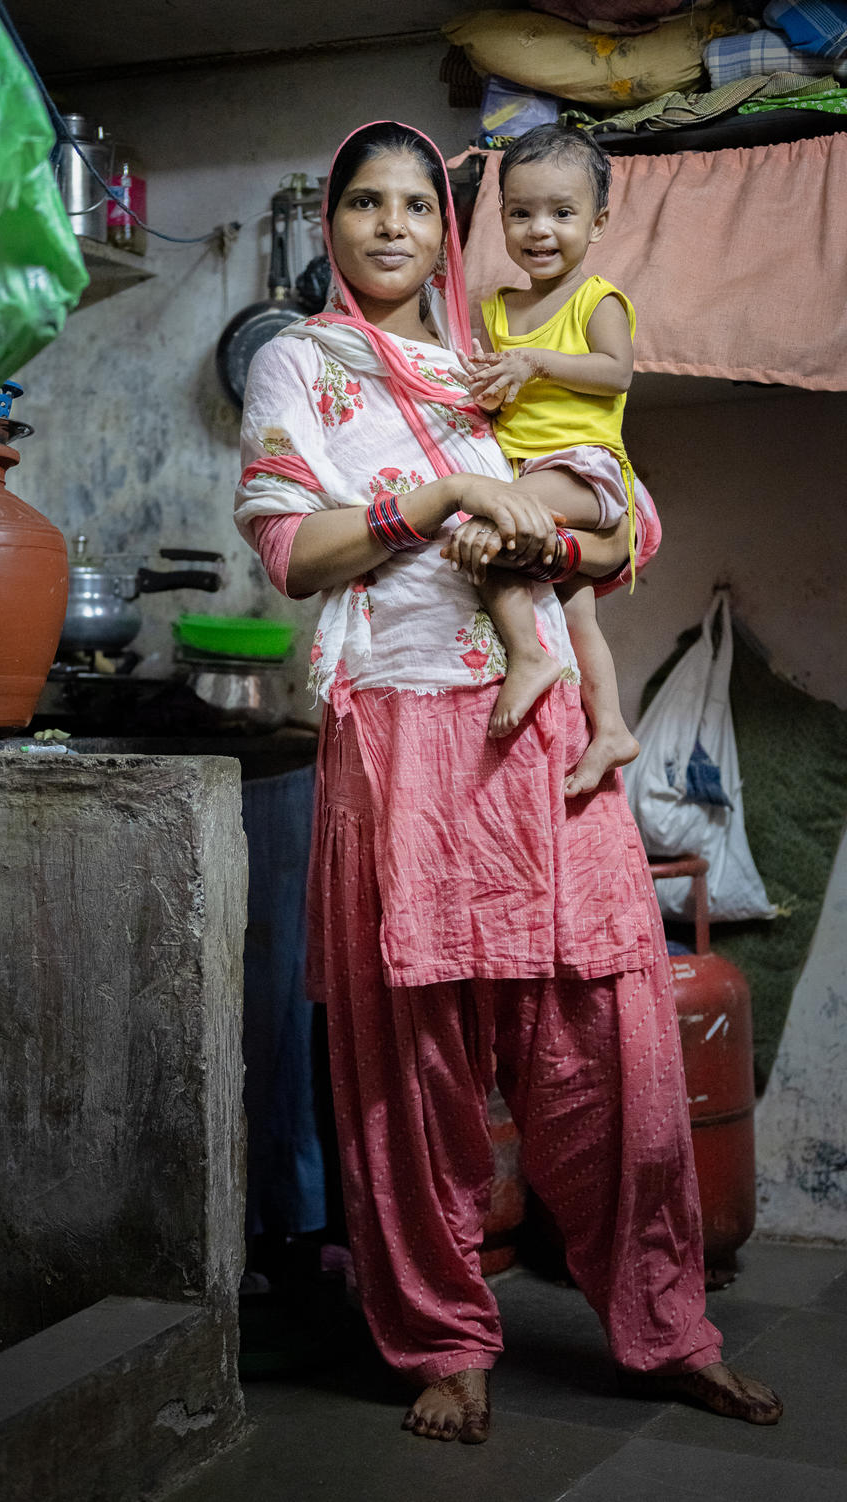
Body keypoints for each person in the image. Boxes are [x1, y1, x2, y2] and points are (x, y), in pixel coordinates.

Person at [234, 120, 781, 1445]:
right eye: (363, 202)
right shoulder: (300, 363)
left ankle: (660, 1323)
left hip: (537, 731)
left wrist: (568, 512)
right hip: (403, 730)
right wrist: (447, 498)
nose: (389, 225)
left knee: (613, 1042)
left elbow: (629, 514)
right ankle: (440, 1336)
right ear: (333, 225)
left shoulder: (496, 360)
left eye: (416, 204)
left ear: (447, 226)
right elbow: (293, 550)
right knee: (409, 1063)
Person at [449, 126, 639, 796]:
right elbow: (502, 401)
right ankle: (610, 726)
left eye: (563, 213)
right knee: (574, 607)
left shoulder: (598, 300)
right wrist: (494, 391)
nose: (540, 229)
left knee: (493, 525)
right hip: (526, 470)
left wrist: (533, 361)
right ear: (498, 218)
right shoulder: (496, 308)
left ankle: (528, 655)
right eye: (521, 213)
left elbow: (616, 373)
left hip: (587, 469)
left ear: (598, 222)